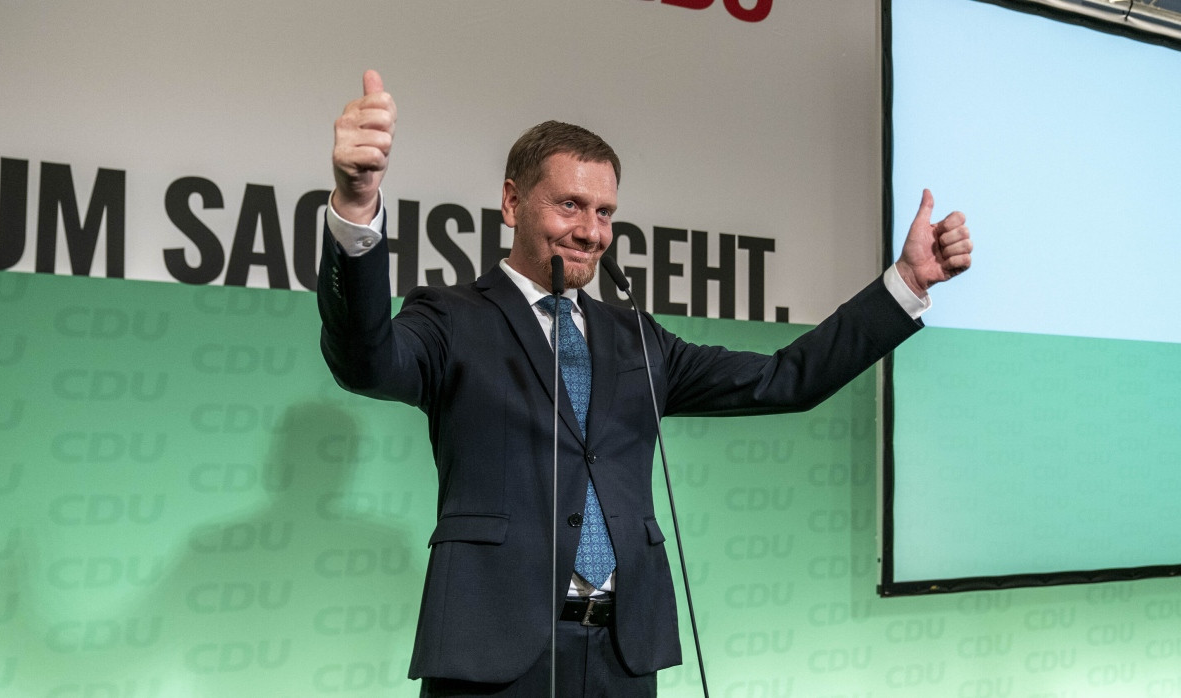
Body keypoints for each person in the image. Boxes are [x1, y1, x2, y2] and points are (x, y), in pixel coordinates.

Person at [317, 70, 972, 698]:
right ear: (514, 201)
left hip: (624, 653)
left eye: (604, 212)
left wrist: (906, 286)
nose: (590, 231)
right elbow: (366, 361)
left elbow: (786, 379)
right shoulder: (451, 318)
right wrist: (355, 206)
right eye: (570, 204)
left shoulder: (637, 338)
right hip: (493, 651)